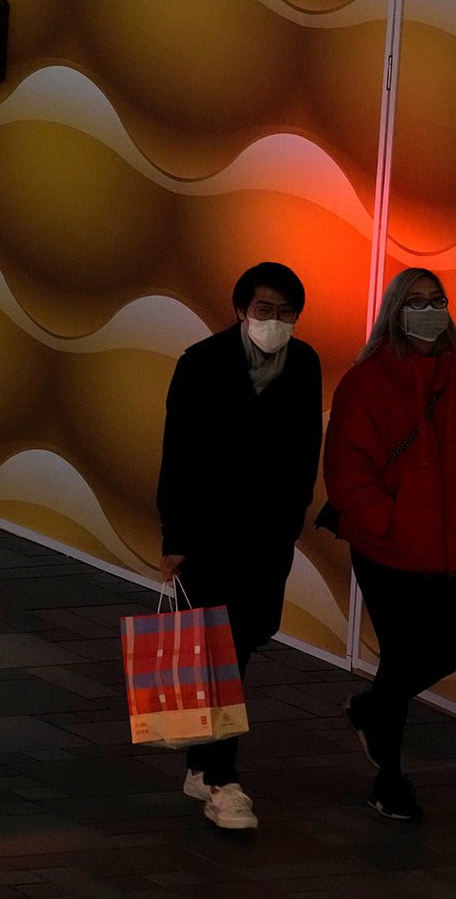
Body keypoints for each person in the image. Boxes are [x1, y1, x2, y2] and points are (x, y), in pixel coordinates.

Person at [323, 267, 456, 821]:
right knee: (405, 656)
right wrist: (386, 520)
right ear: (395, 310)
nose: (428, 311)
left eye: (437, 301)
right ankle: (389, 779)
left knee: (443, 652)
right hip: (387, 548)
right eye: (416, 301)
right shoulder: (366, 382)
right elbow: (346, 467)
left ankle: (369, 709)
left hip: (447, 548)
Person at [156, 261, 322, 831]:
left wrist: (292, 518)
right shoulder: (201, 363)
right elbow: (177, 453)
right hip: (208, 535)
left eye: (285, 312)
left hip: (267, 534)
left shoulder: (304, 364)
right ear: (240, 311)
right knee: (219, 652)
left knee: (242, 643)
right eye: (263, 310)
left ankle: (202, 765)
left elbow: (306, 447)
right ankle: (224, 782)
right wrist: (175, 538)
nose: (274, 321)